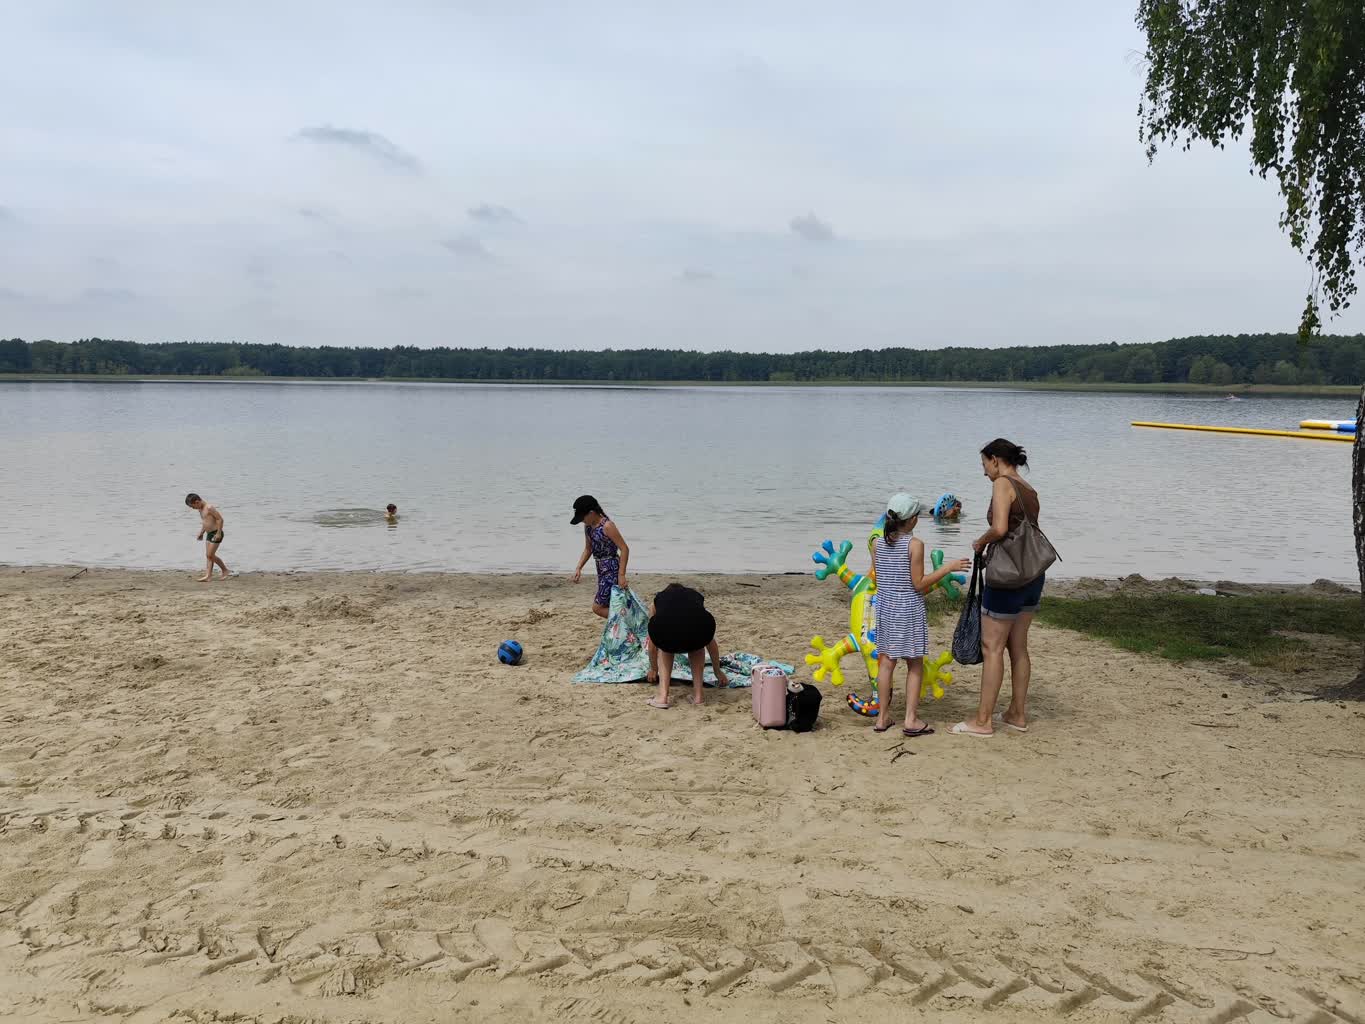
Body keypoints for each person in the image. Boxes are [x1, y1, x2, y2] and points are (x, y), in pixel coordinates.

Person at [954, 439, 1042, 737]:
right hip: (1032, 574)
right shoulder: (1029, 489)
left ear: (995, 459)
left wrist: (981, 541)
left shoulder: (1003, 483)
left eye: (984, 465)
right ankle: (1017, 713)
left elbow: (1001, 528)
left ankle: (983, 721)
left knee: (992, 648)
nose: (984, 473)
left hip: (1006, 576)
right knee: (1018, 647)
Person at [871, 493, 969, 735]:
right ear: (913, 520)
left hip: (884, 606)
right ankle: (911, 719)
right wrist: (948, 568)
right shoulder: (915, 545)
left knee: (886, 662)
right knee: (915, 663)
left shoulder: (877, 542)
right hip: (907, 607)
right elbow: (918, 584)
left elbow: (882, 576)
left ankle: (882, 717)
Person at [643, 583, 730, 708]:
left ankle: (662, 697)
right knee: (698, 643)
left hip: (667, 634)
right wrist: (717, 671)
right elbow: (710, 642)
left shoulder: (658, 600)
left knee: (665, 644)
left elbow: (653, 643)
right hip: (697, 630)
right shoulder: (694, 598)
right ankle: (698, 697)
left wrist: (654, 669)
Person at [570, 495, 630, 618]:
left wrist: (621, 575)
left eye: (582, 517)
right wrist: (578, 568)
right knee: (611, 604)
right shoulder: (588, 527)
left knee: (597, 607)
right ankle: (621, 625)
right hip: (601, 570)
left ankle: (625, 618)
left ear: (591, 513)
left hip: (612, 570)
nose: (582, 521)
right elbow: (588, 549)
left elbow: (624, 548)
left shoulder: (607, 526)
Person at [184, 493, 229, 582]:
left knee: (210, 555)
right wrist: (202, 532)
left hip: (216, 533)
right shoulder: (200, 509)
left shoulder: (209, 508)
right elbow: (205, 522)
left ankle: (225, 570)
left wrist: (219, 533)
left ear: (197, 502)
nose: (193, 509)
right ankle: (208, 576)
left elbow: (220, 519)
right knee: (208, 556)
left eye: (193, 507)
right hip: (209, 534)